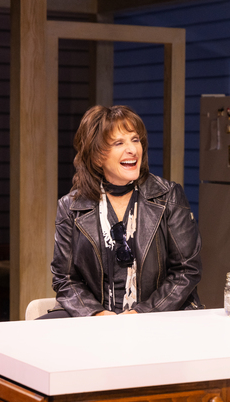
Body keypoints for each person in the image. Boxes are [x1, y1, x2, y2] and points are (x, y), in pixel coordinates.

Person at [44, 105, 202, 318]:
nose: (132, 149)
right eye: (119, 143)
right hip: (96, 319)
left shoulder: (169, 196)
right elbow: (65, 279)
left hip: (159, 316)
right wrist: (96, 314)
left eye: (135, 140)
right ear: (97, 156)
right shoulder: (70, 207)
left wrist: (141, 313)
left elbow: (186, 270)